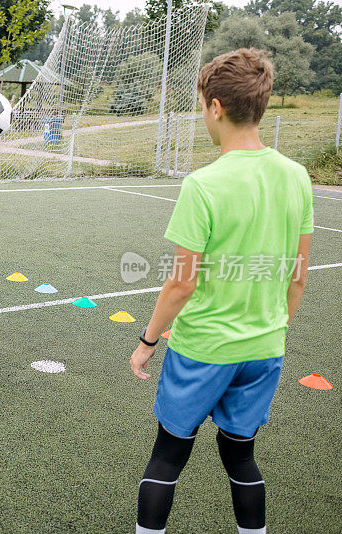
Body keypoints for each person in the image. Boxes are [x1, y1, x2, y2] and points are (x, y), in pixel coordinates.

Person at [129, 48, 313, 534]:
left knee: (167, 457)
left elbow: (181, 283)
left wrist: (148, 341)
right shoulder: (297, 177)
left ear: (215, 106)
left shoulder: (203, 184)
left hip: (204, 349)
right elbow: (299, 276)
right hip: (264, 348)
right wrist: (271, 330)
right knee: (240, 457)